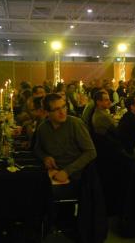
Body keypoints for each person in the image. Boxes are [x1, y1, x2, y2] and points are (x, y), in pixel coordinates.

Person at [34, 93, 106, 243]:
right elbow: (37, 148)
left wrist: (67, 171)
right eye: (57, 109)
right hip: (55, 174)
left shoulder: (75, 123)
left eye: (64, 107)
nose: (62, 112)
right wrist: (45, 157)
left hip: (77, 177)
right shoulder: (43, 128)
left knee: (42, 194)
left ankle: (56, 225)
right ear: (47, 113)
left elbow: (91, 152)